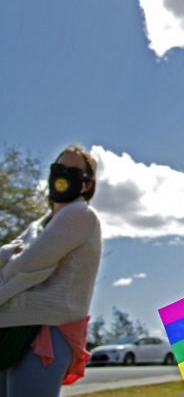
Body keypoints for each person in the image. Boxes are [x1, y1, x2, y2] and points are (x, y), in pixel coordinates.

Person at [0, 145, 102, 397]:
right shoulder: (38, 225)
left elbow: (27, 265)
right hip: (9, 327)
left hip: (47, 330)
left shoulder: (81, 214)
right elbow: (20, 265)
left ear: (87, 184)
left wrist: (11, 260)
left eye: (73, 171)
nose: (63, 175)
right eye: (58, 169)